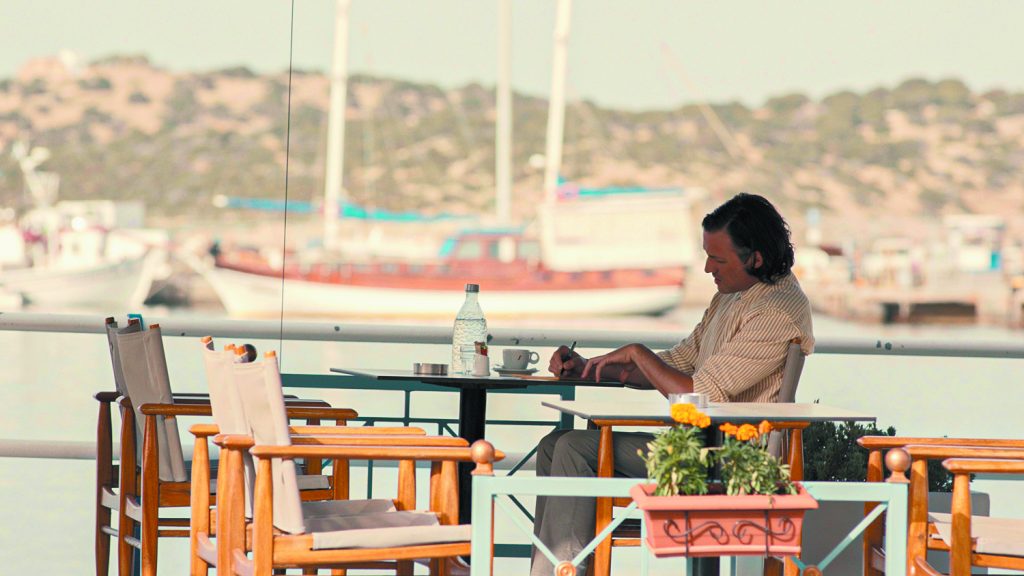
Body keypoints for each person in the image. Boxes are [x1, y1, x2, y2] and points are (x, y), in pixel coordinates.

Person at [530, 192, 815, 576]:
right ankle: (551, 569)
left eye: (718, 259)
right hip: (701, 447)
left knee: (575, 449)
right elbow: (678, 363)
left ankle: (563, 572)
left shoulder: (777, 310)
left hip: (730, 460)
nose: (707, 268)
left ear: (756, 258)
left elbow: (700, 394)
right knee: (553, 446)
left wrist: (637, 353)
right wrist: (589, 368)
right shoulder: (733, 296)